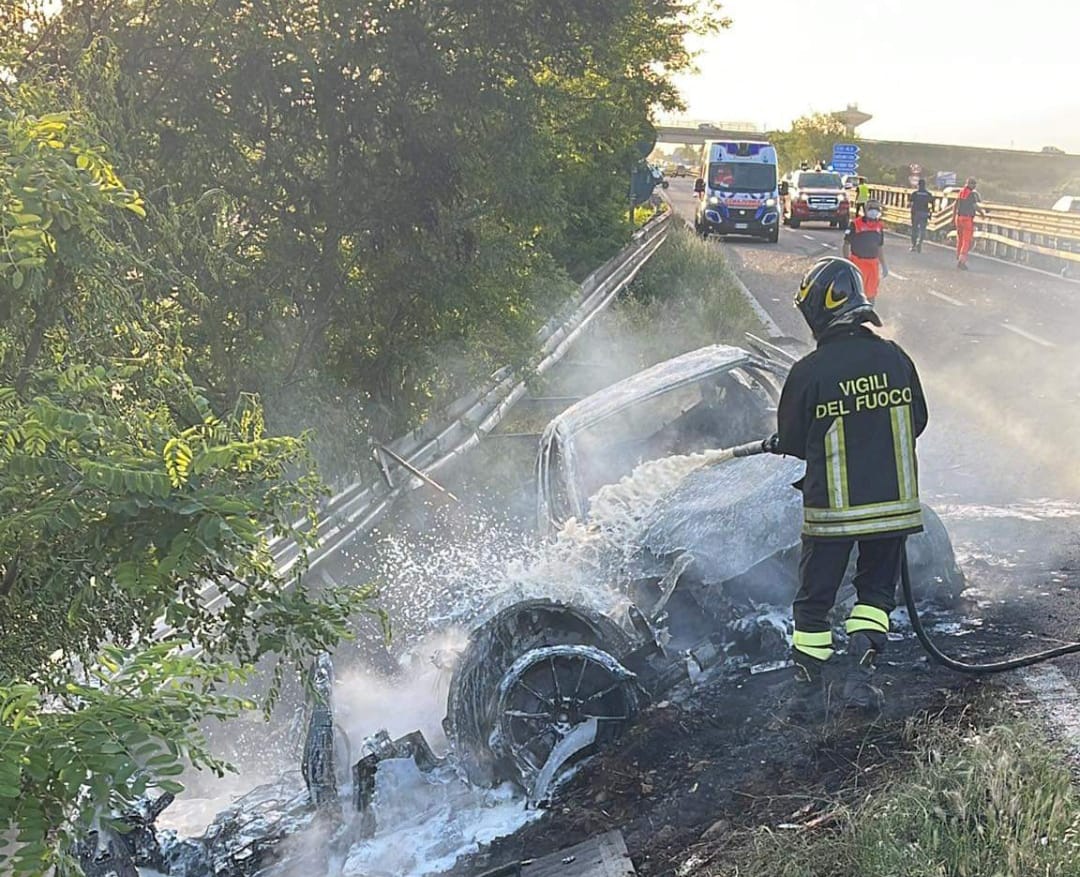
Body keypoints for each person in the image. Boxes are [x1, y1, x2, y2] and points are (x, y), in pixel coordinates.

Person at [774, 257, 928, 718]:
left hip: (834, 513)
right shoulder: (896, 357)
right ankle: (860, 683)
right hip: (892, 509)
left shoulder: (810, 371)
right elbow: (918, 420)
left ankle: (806, 695)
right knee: (875, 596)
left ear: (817, 310)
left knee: (814, 601)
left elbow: (793, 441)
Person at [842, 199, 888, 301]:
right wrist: (847, 262)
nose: (874, 210)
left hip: (873, 265)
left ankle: (869, 309)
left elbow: (879, 247)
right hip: (858, 263)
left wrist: (884, 265)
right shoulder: (855, 224)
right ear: (865, 210)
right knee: (856, 292)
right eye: (871, 208)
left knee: (871, 293)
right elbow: (846, 244)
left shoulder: (879, 226)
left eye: (877, 208)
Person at [953, 177, 988, 270]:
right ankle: (962, 261)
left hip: (959, 218)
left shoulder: (961, 192)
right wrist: (982, 213)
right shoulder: (971, 194)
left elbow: (955, 205)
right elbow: (975, 206)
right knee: (966, 241)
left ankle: (958, 255)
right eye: (974, 184)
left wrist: (953, 217)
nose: (974, 186)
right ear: (970, 184)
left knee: (960, 239)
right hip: (967, 219)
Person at [909, 178, 933, 252]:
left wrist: (911, 212)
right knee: (923, 229)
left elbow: (910, 203)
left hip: (916, 213)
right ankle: (919, 243)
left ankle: (913, 245)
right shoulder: (928, 194)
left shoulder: (915, 194)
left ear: (918, 185)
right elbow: (932, 204)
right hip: (924, 213)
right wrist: (930, 213)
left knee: (914, 229)